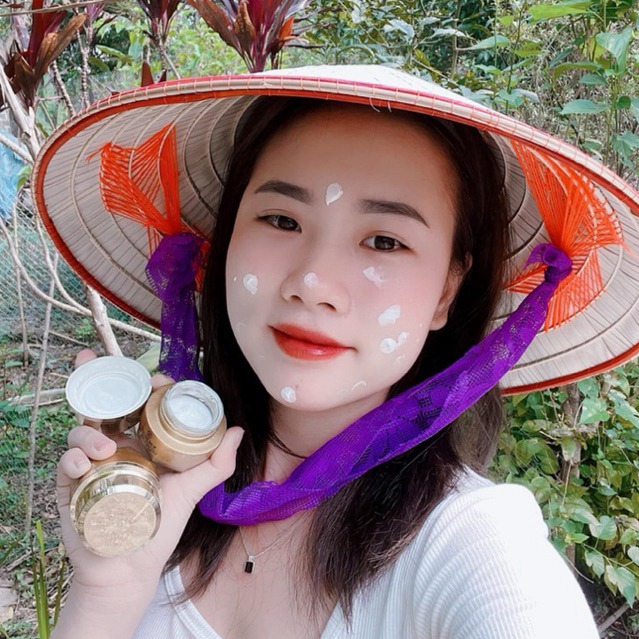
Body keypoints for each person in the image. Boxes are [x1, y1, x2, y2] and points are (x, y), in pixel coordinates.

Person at [35, 66, 639, 639]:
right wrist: (107, 589)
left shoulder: (476, 543)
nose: (312, 283)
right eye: (281, 220)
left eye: (385, 241)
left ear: (446, 292)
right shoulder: (158, 492)